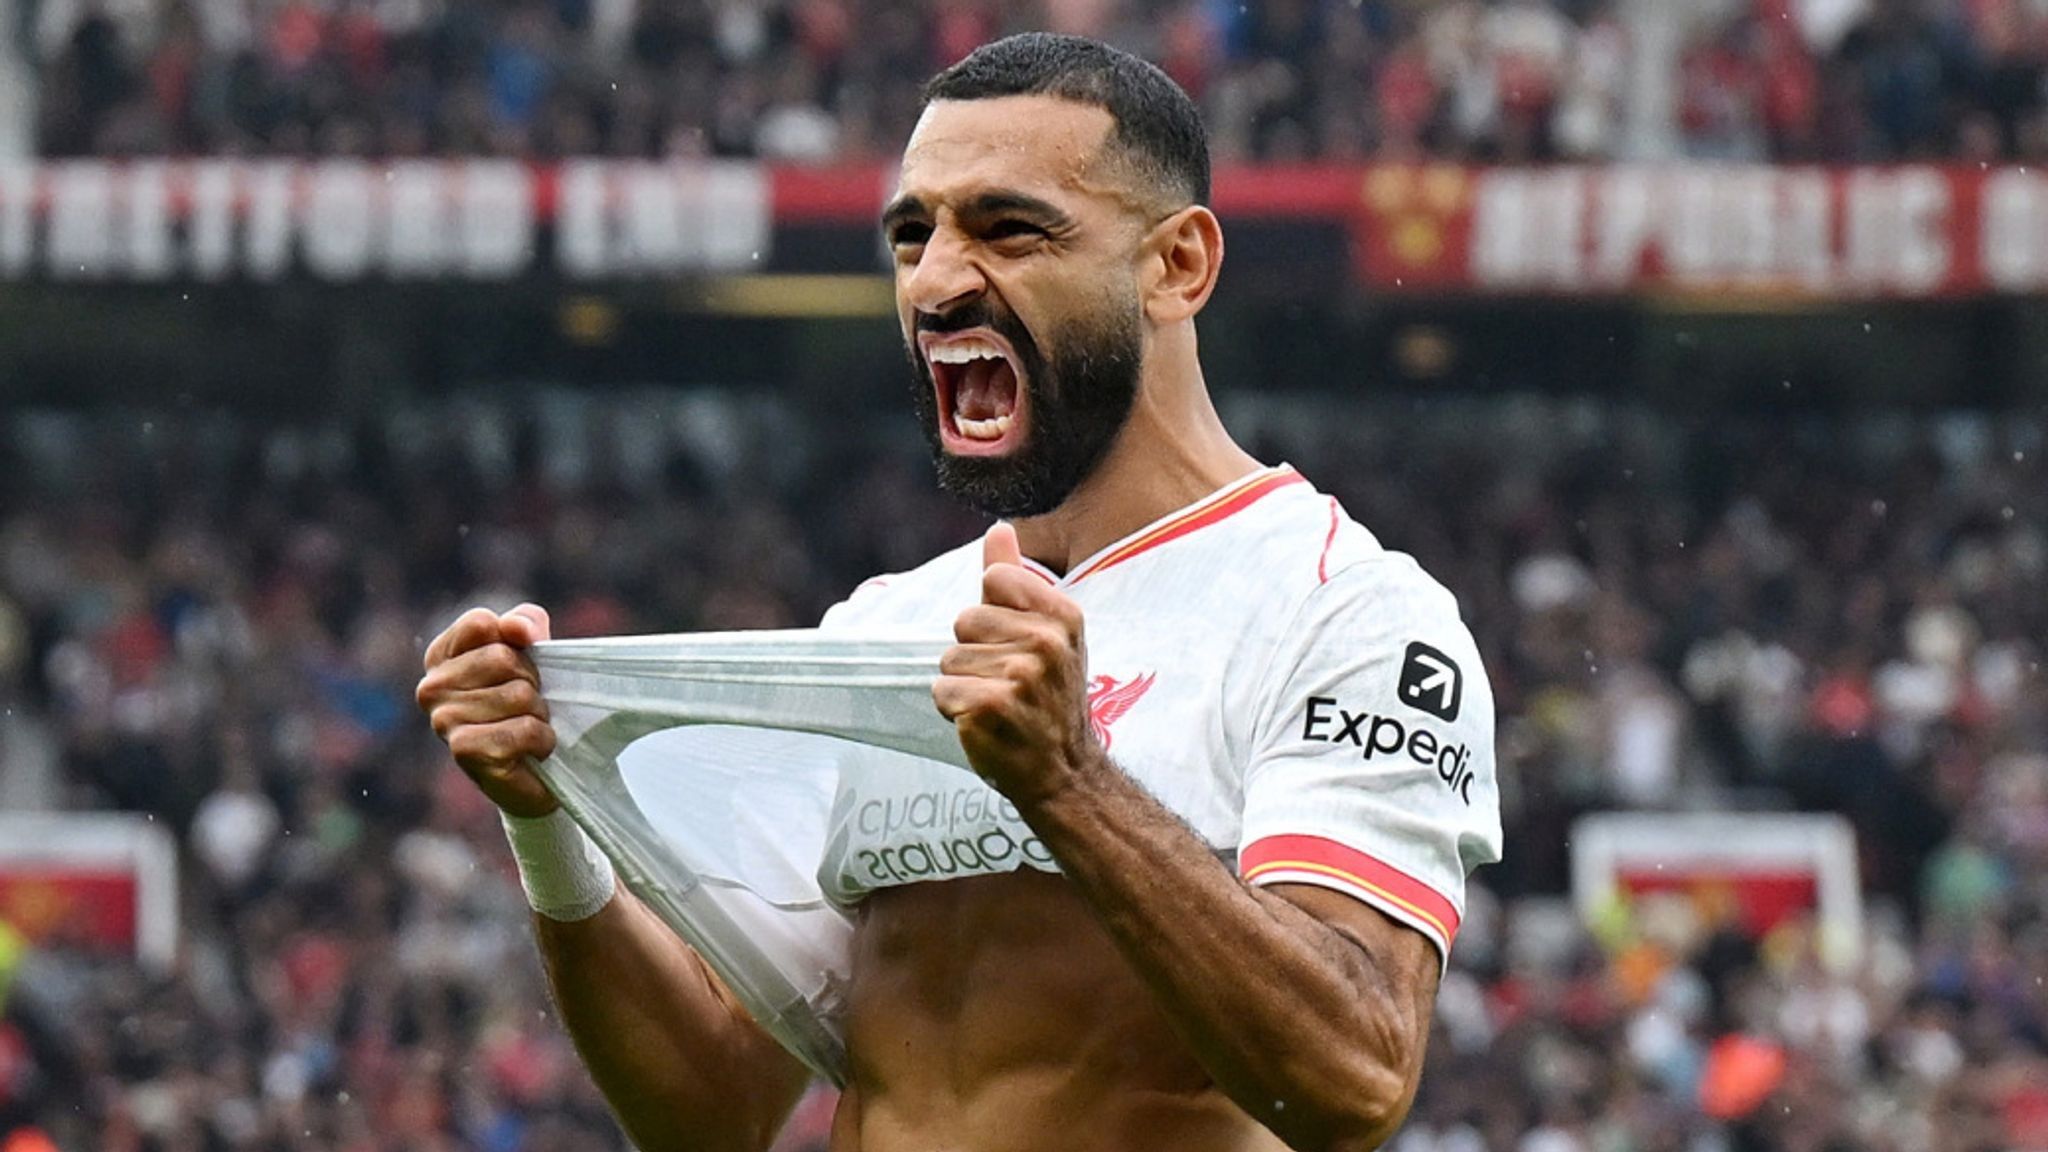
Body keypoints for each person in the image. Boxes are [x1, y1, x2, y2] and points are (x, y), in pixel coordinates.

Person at [416, 32, 1501, 1152]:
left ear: (1176, 265)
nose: (935, 282)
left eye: (1009, 229)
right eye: (911, 235)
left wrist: (1069, 783)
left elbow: (1354, 1080)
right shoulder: (886, 626)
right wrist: (546, 824)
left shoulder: (1342, 613)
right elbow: (713, 1111)